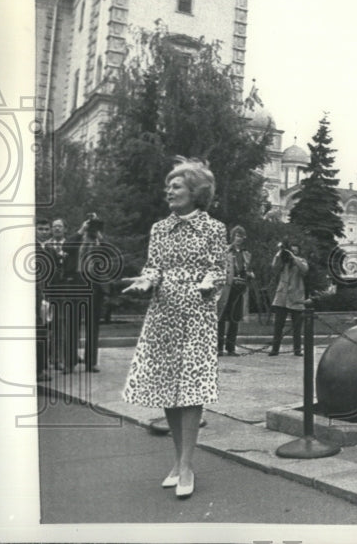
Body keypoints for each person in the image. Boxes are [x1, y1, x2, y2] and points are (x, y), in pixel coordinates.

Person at [121, 158, 227, 499]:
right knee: (167, 387)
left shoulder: (214, 228)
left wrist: (209, 283)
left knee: (191, 389)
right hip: (163, 312)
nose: (170, 191)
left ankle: (186, 465)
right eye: (169, 186)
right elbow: (153, 268)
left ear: (195, 192)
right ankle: (179, 460)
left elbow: (218, 270)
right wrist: (144, 283)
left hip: (196, 313)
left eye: (177, 186)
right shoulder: (159, 228)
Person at [43, 218, 85, 373]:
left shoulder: (72, 244)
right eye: (54, 227)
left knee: (69, 323)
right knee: (54, 324)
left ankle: (67, 357)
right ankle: (54, 358)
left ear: (65, 229)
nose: (57, 229)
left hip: (68, 287)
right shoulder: (46, 245)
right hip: (52, 288)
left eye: (60, 226)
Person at [76, 214, 108, 372]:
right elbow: (69, 247)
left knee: (92, 326)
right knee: (73, 324)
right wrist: (82, 230)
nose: (93, 230)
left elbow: (109, 253)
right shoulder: (79, 240)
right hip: (79, 285)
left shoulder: (99, 242)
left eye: (96, 226)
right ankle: (70, 360)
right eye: (91, 226)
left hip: (95, 287)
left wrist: (100, 236)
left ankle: (91, 362)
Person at [217, 225, 253, 356]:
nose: (239, 239)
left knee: (235, 318)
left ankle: (231, 348)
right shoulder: (225, 251)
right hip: (227, 287)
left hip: (240, 288)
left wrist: (249, 274)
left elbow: (246, 269)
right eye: (236, 236)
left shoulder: (246, 254)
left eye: (241, 236)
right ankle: (219, 347)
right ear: (232, 237)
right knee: (221, 317)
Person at [268, 242, 309, 357]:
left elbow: (304, 270)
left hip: (296, 297)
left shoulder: (301, 261)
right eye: (291, 251)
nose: (292, 253)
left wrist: (293, 257)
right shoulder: (283, 262)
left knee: (297, 327)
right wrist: (280, 253)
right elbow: (274, 267)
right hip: (282, 297)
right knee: (278, 325)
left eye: (295, 251)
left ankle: (297, 350)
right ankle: (274, 349)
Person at [34, 217, 53, 382]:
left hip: (46, 296)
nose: (44, 232)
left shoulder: (48, 249)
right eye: (41, 229)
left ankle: (42, 367)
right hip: (34, 297)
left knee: (44, 332)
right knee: (38, 332)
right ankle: (38, 370)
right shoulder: (30, 248)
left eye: (47, 229)